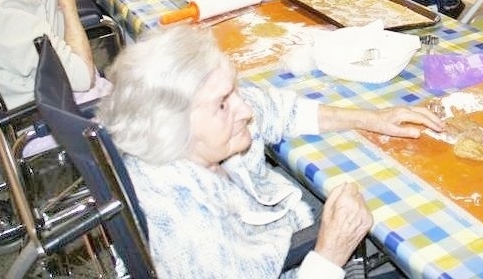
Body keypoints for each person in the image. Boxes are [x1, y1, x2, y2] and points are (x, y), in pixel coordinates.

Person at [97, 24, 442, 278]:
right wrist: (330, 253)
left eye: (234, 92)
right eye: (222, 104)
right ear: (172, 127)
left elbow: (274, 108)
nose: (243, 110)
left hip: (279, 235)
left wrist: (372, 118)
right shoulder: (186, 228)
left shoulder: (190, 138)